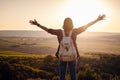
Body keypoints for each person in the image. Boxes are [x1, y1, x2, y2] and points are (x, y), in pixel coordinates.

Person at [29, 14, 106, 80]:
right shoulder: (75, 32)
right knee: (73, 76)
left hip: (62, 56)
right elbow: (86, 26)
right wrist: (97, 20)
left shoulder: (59, 32)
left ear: (64, 24)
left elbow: (48, 30)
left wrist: (38, 24)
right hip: (73, 56)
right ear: (72, 24)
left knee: (62, 76)